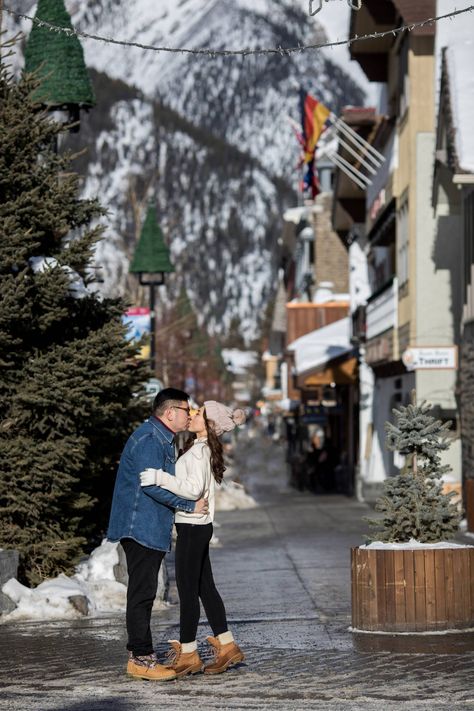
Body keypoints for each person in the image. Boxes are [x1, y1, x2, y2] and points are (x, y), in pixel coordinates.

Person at [107, 388, 209, 681]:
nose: (189, 415)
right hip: (140, 526)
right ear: (169, 413)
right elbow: (151, 485)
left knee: (144, 592)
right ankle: (140, 658)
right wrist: (189, 505)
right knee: (142, 593)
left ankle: (141, 655)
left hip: (146, 525)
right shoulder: (151, 439)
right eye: (186, 410)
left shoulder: (159, 436)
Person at [140, 400, 246, 678]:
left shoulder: (200, 452)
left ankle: (188, 654)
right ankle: (227, 645)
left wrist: (158, 477)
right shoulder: (201, 448)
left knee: (188, 592)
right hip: (198, 526)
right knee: (205, 588)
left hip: (193, 527)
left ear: (209, 425)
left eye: (199, 414)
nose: (193, 415)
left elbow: (192, 489)